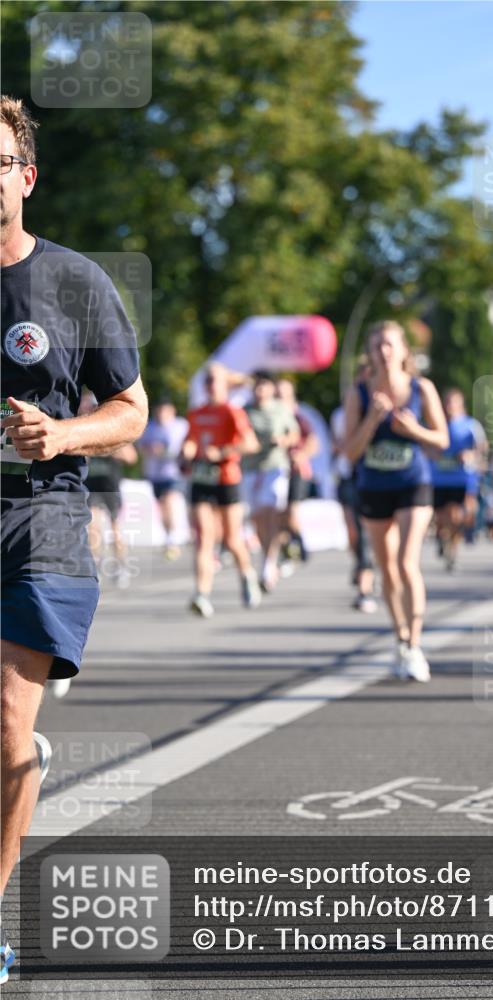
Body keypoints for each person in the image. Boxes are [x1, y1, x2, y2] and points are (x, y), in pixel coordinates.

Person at [0, 96, 147, 984]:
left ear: (25, 177)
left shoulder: (74, 282)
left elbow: (130, 412)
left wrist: (59, 434)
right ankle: (19, 760)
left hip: (41, 516)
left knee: (3, 718)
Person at [344, 321, 447, 681]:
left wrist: (414, 429)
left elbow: (442, 441)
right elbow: (350, 452)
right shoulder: (359, 393)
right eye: (377, 346)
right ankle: (401, 637)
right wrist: (372, 420)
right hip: (374, 486)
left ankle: (415, 645)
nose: (384, 351)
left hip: (413, 483)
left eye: (389, 344)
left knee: (406, 562)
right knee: (386, 567)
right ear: (370, 354)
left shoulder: (422, 388)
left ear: (404, 350)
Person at [182, 363, 261, 616]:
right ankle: (202, 594)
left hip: (227, 478)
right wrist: (186, 453)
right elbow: (191, 441)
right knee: (204, 537)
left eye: (214, 380)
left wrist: (223, 451)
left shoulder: (232, 412)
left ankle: (247, 575)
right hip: (202, 478)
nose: (209, 384)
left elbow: (251, 444)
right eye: (206, 380)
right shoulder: (196, 413)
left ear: (225, 384)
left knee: (231, 538)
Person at [242, 371, 300, 593]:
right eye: (256, 386)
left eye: (263, 385)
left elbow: (294, 433)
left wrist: (283, 440)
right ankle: (268, 555)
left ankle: (269, 563)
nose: (259, 390)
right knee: (257, 517)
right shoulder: (245, 411)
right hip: (250, 468)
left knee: (271, 511)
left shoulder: (280, 409)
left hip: (275, 467)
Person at [80, 390, 138, 589]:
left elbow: (131, 457)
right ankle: (95, 566)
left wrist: (110, 448)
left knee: (115, 528)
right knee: (93, 527)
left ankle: (121, 565)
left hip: (110, 486)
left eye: (92, 408)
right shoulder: (82, 430)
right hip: (92, 485)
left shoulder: (111, 428)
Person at [330, 395, 377, 613]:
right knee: (352, 531)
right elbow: (336, 443)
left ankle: (365, 587)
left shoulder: (375, 410)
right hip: (347, 476)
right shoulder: (339, 415)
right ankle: (360, 564)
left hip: (370, 476)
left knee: (365, 533)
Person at [430, 388, 484, 572]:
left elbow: (481, 449)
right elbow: (425, 445)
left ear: (461, 405)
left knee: (456, 516)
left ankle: (452, 551)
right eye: (447, 402)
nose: (449, 406)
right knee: (440, 518)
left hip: (460, 479)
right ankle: (442, 538)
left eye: (453, 402)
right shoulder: (435, 422)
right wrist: (433, 453)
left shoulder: (471, 425)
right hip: (438, 479)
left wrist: (471, 455)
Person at [276, 378, 319, 571]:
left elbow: (313, 443)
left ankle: (301, 548)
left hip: (297, 471)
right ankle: (286, 549)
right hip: (276, 470)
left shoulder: (298, 418)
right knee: (278, 514)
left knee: (291, 512)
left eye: (283, 395)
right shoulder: (271, 416)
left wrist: (301, 455)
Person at [138, 398, 188, 560]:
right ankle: (169, 537)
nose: (161, 415)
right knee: (162, 507)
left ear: (172, 411)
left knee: (170, 500)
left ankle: (173, 537)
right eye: (159, 411)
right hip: (155, 474)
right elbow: (140, 446)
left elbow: (189, 444)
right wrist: (150, 449)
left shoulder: (181, 426)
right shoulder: (149, 427)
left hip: (174, 472)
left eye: (165, 411)